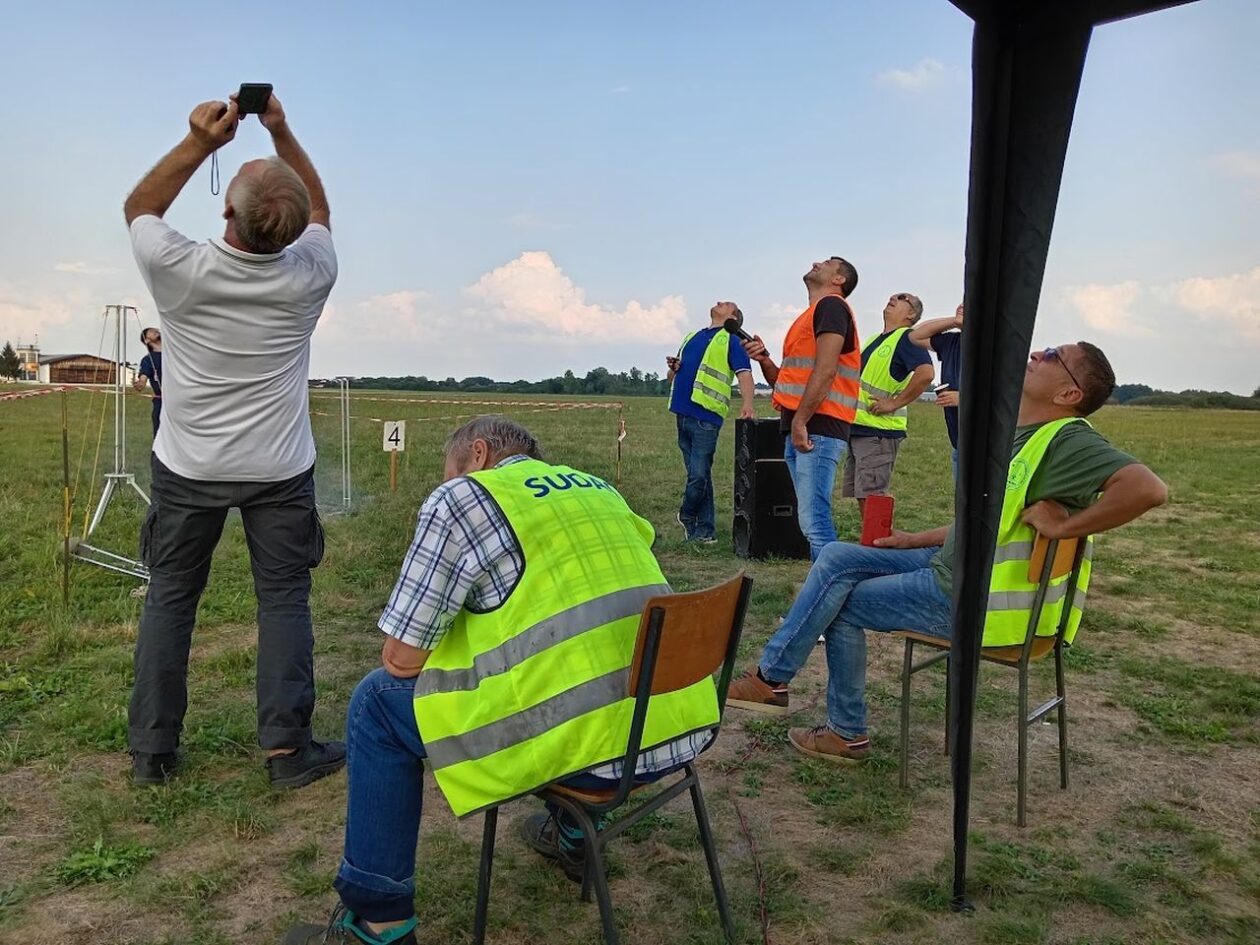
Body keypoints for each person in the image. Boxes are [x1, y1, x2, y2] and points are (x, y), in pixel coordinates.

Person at [283, 417, 722, 945]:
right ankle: (574, 832)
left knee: (377, 701)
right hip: (673, 726)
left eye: (449, 473)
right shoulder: (599, 489)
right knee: (555, 669)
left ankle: (379, 920)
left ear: (478, 454)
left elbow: (401, 659)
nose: (447, 486)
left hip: (588, 748)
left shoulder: (464, 499)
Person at [726, 342, 1168, 763]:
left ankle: (843, 731)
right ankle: (772, 682)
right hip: (956, 567)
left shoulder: (1067, 441)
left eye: (1053, 355)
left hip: (973, 599)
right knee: (839, 557)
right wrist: (911, 539)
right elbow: (988, 524)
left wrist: (1067, 526)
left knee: (839, 606)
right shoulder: (1029, 436)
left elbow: (1147, 489)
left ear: (1069, 393)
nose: (1036, 352)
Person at [123, 91, 342, 788]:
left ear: (226, 212)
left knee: (171, 598)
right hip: (279, 468)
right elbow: (324, 214)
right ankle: (287, 750)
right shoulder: (311, 275)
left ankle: (153, 753)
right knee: (283, 601)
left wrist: (199, 144)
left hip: (188, 466)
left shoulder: (179, 271)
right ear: (295, 228)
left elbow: (140, 207)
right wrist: (283, 130)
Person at [743, 257, 861, 559]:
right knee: (811, 522)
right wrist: (765, 360)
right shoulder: (809, 317)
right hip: (807, 425)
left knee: (815, 523)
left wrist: (801, 422)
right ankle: (827, 591)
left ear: (839, 280)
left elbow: (826, 371)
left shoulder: (832, 307)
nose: (816, 262)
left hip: (817, 427)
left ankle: (832, 593)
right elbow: (786, 381)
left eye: (827, 263)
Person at [665, 300, 755, 543]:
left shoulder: (731, 339)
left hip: (706, 416)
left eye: (726, 303)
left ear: (733, 318)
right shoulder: (691, 336)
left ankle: (687, 514)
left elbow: (744, 374)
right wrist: (674, 368)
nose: (718, 302)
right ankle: (705, 532)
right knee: (699, 474)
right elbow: (671, 376)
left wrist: (748, 404)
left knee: (699, 475)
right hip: (682, 413)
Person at [843, 292, 935, 515]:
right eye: (894, 296)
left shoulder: (907, 338)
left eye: (903, 298)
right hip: (860, 427)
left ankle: (878, 545)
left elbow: (926, 373)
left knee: (872, 496)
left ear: (911, 314)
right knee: (862, 494)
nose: (894, 297)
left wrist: (894, 403)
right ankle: (871, 543)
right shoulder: (875, 339)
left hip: (879, 432)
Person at [910, 302, 965, 476]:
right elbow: (915, 335)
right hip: (958, 445)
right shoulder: (952, 341)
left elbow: (1007, 393)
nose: (962, 305)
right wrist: (954, 322)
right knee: (962, 502)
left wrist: (964, 399)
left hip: (987, 449)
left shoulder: (996, 345)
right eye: (963, 300)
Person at [132, 326, 164, 435]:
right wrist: (140, 384)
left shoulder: (175, 354)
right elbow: (143, 380)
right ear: (147, 340)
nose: (156, 330)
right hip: (162, 403)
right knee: (160, 437)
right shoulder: (148, 360)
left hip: (181, 403)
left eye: (156, 329)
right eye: (150, 331)